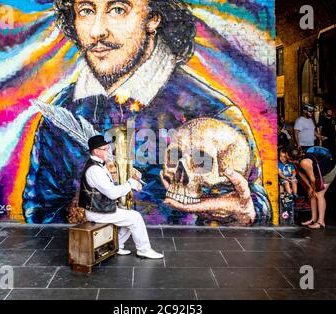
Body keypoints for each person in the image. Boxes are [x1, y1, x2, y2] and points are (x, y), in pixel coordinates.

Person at [22, 0, 272, 224]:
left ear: (153, 18)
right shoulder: (62, 112)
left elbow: (253, 207)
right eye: (86, 10)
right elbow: (40, 215)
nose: (97, 31)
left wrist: (246, 214)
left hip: (182, 269)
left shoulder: (214, 113)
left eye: (118, 9)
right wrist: (88, 199)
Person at [80, 135, 164, 258]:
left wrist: (132, 176)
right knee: (135, 217)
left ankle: (117, 245)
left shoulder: (99, 165)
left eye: (107, 147)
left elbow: (108, 184)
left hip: (101, 208)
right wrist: (130, 184)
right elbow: (112, 193)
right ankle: (144, 250)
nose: (108, 150)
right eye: (105, 149)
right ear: (96, 151)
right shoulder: (94, 170)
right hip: (97, 212)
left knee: (130, 217)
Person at [287, 146, 336, 229]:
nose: (286, 158)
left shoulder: (304, 162)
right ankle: (313, 219)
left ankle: (321, 222)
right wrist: (309, 188)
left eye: (287, 157)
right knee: (311, 195)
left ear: (291, 158)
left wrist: (313, 189)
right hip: (319, 173)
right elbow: (301, 174)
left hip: (328, 172)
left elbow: (312, 179)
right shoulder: (296, 162)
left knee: (319, 195)